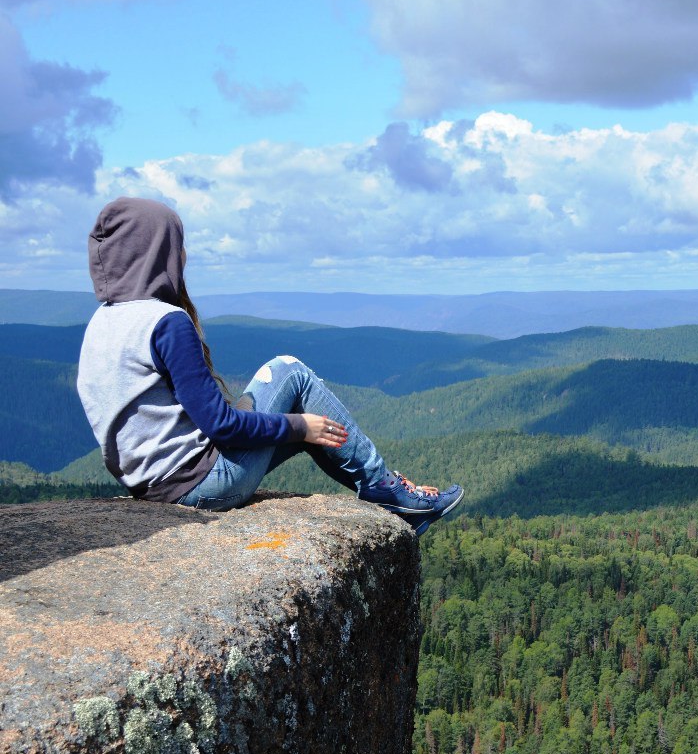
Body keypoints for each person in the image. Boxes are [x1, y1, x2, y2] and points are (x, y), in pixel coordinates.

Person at [76, 196, 462, 535]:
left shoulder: (103, 323)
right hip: (200, 486)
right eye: (178, 244)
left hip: (153, 485)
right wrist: (300, 426)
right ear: (155, 250)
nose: (184, 256)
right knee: (290, 372)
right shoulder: (165, 322)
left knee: (299, 414)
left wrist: (298, 429)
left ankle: (383, 489)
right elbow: (222, 427)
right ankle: (383, 486)